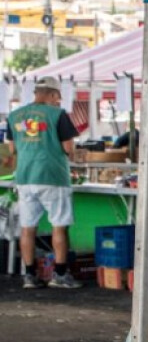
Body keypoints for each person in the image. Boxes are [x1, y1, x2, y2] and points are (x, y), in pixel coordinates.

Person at [5, 77, 82, 289]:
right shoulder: (58, 115)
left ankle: (29, 276)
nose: (59, 101)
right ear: (51, 94)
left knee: (28, 228)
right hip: (53, 176)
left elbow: (12, 150)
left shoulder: (14, 116)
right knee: (59, 226)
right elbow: (68, 148)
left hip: (25, 177)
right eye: (58, 97)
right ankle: (59, 275)